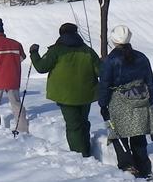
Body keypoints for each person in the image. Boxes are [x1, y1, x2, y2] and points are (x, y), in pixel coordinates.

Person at [30, 22, 101, 157]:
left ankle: (80, 155)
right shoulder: (87, 50)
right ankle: (87, 150)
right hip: (86, 93)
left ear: (61, 34)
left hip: (65, 95)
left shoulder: (56, 50)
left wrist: (34, 53)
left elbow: (41, 67)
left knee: (73, 126)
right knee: (84, 123)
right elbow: (100, 71)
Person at [97, 24, 153, 179]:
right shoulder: (141, 57)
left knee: (118, 133)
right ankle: (144, 166)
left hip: (119, 101)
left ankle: (127, 165)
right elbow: (149, 80)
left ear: (113, 40)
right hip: (140, 98)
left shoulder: (110, 60)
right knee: (138, 133)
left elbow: (104, 83)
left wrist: (102, 103)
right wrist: (150, 98)